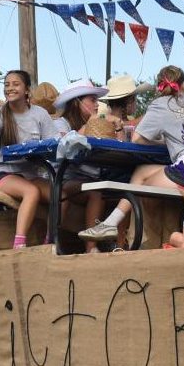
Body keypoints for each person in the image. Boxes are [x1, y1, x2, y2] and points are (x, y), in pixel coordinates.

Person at [80, 65, 184, 243]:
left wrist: (165, 141)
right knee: (141, 171)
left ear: (160, 86)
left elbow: (137, 139)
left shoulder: (161, 104)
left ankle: (126, 234)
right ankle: (110, 224)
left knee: (140, 189)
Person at [0, 70, 56, 249]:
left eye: (15, 84)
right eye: (7, 85)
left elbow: (53, 144)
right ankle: (19, 244)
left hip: (31, 173)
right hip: (4, 173)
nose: (10, 88)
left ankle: (50, 240)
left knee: (60, 193)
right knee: (31, 192)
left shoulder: (40, 114)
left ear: (27, 90)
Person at [54, 79, 111, 253]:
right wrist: (91, 124)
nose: (97, 104)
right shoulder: (60, 123)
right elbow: (65, 145)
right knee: (96, 191)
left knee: (109, 190)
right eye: (92, 100)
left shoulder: (91, 125)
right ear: (77, 102)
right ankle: (91, 247)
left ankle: (111, 244)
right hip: (61, 179)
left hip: (83, 179)